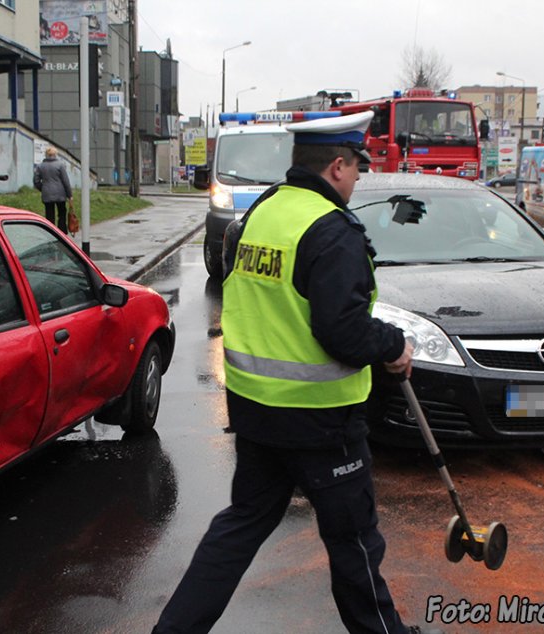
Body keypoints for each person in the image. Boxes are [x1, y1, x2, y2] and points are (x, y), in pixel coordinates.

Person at [152, 111, 438, 634]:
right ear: (336, 166)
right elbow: (344, 333)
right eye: (356, 168)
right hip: (321, 420)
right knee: (352, 542)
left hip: (257, 410)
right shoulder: (333, 230)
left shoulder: (263, 211)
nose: (357, 179)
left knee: (241, 525)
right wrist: (394, 345)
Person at [33, 146, 74, 234]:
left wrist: (43, 188)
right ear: (55, 154)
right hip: (60, 193)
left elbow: (36, 181)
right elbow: (65, 181)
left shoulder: (40, 166)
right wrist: (69, 195)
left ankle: (51, 233)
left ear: (46, 155)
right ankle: (62, 232)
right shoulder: (60, 165)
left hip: (47, 194)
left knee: (49, 214)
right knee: (62, 212)